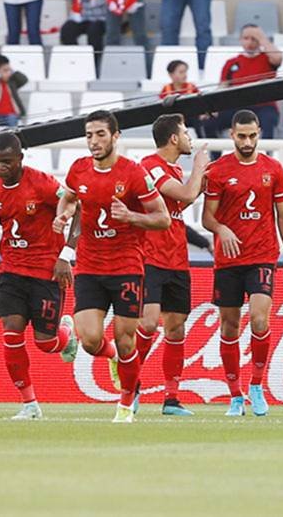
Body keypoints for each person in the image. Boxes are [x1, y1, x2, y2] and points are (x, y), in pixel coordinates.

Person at [52, 110, 171, 424]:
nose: (94, 141)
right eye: (89, 135)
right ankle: (116, 360)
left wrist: (131, 217)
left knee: (126, 338)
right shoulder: (78, 170)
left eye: (100, 134)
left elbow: (163, 218)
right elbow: (67, 199)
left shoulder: (133, 174)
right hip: (90, 265)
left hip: (126, 266)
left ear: (116, 136)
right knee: (90, 340)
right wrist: (63, 215)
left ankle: (126, 404)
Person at [0, 133, 78, 420]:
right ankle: (30, 404)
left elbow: (77, 206)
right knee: (11, 333)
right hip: (11, 270)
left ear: (20, 160)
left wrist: (66, 253)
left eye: (6, 162)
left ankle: (66, 335)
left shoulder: (42, 183)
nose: (0, 167)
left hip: (45, 271)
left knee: (45, 343)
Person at [201, 109, 283, 417]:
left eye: (252, 135)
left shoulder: (273, 168)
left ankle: (256, 385)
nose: (247, 141)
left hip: (262, 257)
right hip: (228, 260)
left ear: (259, 133)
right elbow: (207, 217)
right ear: (232, 135)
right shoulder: (218, 171)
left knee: (259, 319)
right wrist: (221, 228)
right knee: (229, 326)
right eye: (241, 136)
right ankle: (235, 395)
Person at [135, 114, 210, 416]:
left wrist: (201, 181)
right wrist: (201, 168)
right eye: (186, 132)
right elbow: (186, 193)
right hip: (151, 257)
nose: (190, 138)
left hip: (177, 257)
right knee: (149, 322)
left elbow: (182, 204)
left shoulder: (174, 169)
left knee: (176, 329)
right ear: (174, 139)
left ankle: (171, 398)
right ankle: (132, 386)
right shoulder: (150, 164)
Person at [220, 24, 283, 138]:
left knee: (268, 120)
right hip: (237, 106)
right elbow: (222, 88)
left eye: (254, 39)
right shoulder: (231, 63)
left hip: (264, 107)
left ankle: (267, 155)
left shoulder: (267, 59)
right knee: (209, 121)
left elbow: (278, 58)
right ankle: (215, 155)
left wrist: (262, 38)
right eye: (246, 38)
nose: (249, 42)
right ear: (240, 40)